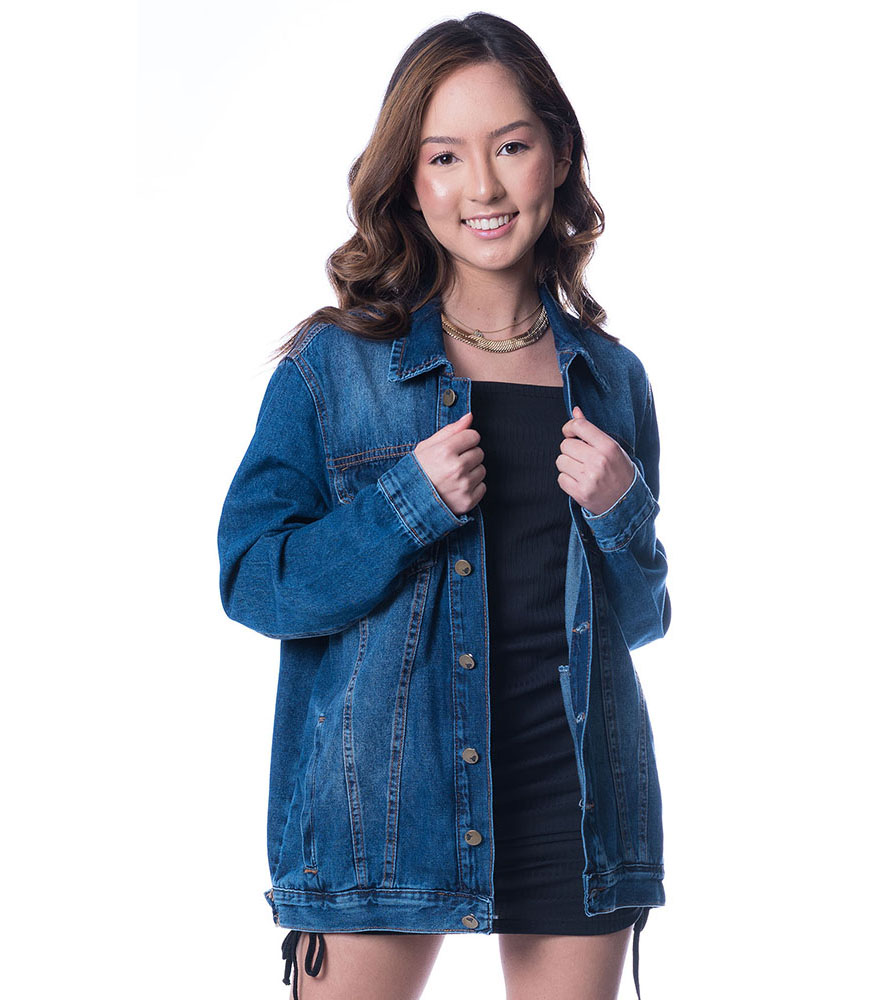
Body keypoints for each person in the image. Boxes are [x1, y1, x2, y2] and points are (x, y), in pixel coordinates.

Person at [217, 12, 671, 1000]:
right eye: (445, 156)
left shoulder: (612, 380)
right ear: (410, 180)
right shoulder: (332, 370)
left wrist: (621, 513)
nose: (483, 188)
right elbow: (252, 580)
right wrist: (403, 506)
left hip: (577, 804)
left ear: (557, 154)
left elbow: (639, 620)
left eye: (510, 146)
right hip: (386, 807)